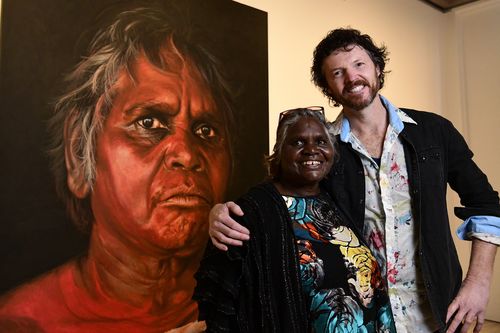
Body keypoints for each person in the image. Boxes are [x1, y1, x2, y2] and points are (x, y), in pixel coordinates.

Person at [207, 28, 500, 333]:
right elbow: (277, 198)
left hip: (439, 316)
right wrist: (219, 212)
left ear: (377, 67)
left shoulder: (434, 132)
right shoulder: (322, 149)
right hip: (365, 321)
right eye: (338, 72)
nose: (352, 78)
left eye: (359, 65)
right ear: (327, 87)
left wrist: (477, 285)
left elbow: (486, 204)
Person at [0, 4, 235, 332]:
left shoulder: (247, 304)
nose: (187, 153)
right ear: (78, 155)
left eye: (205, 131)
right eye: (149, 122)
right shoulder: (22, 323)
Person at [193, 107, 396, 332]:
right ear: (279, 153)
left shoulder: (338, 201)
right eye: (298, 143)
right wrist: (215, 213)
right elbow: (223, 307)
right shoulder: (250, 213)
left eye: (320, 142)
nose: (311, 150)